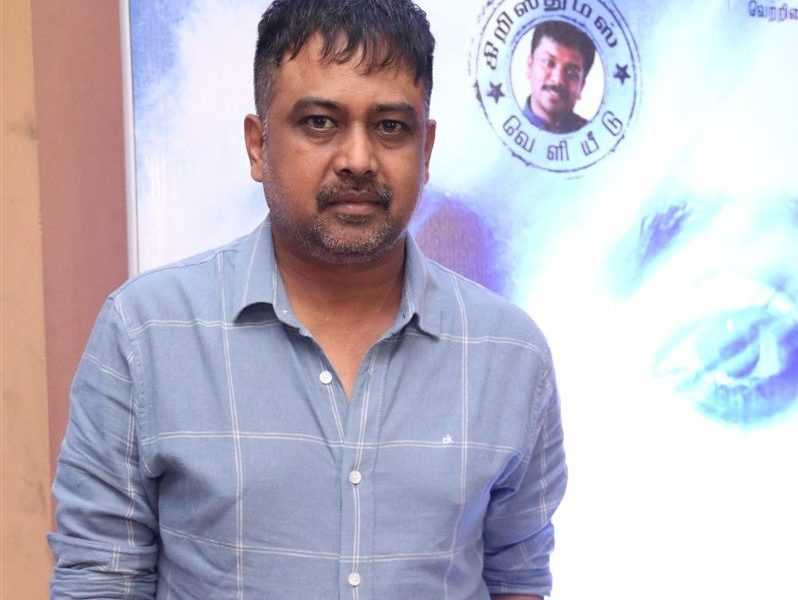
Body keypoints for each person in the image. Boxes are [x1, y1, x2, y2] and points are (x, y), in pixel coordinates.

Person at [48, 1, 567, 598]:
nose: (357, 160)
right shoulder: (147, 334)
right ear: (257, 145)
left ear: (425, 149)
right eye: (320, 122)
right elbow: (102, 577)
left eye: (390, 127)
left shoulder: (509, 354)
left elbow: (517, 577)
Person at [523, 20, 595, 134]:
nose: (558, 80)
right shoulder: (497, 134)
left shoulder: (598, 137)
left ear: (582, 86)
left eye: (571, 72)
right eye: (548, 63)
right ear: (530, 66)